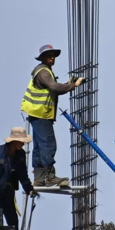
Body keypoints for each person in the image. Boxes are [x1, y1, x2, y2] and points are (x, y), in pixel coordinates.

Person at [21, 44, 84, 186]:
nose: (52, 57)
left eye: (53, 55)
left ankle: (39, 178)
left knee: (39, 146)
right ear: (42, 57)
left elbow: (53, 88)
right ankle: (49, 177)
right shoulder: (43, 71)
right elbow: (54, 87)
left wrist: (67, 84)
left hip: (38, 114)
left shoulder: (44, 71)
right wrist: (74, 85)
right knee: (48, 145)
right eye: (49, 55)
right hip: (41, 114)